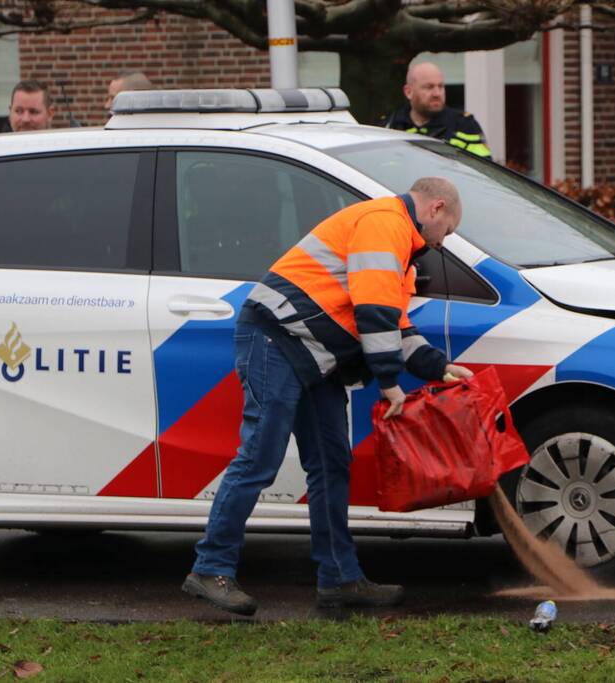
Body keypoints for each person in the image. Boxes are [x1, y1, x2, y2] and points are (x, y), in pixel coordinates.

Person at [183, 177, 474, 615]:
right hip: (277, 339)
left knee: (331, 464)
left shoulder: (401, 247)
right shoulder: (386, 225)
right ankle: (210, 568)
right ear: (436, 208)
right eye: (447, 232)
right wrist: (390, 381)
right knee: (260, 457)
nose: (442, 243)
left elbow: (394, 325)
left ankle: (339, 578)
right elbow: (374, 313)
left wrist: (438, 366)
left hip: (308, 350)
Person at [380, 62, 492, 159]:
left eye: (441, 86)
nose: (437, 93)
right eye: (429, 87)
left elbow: (484, 172)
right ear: (409, 92)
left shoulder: (464, 125)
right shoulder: (390, 126)